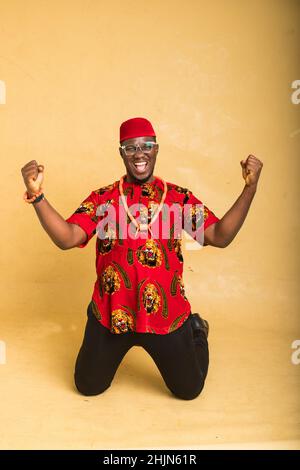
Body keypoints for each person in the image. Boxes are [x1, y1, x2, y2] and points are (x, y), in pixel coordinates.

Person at [21, 117, 263, 400]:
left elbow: (220, 236)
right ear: (121, 152)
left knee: (189, 390)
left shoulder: (178, 198)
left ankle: (196, 330)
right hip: (113, 314)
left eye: (146, 146)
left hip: (165, 316)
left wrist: (250, 188)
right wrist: (37, 196)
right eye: (131, 147)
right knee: (87, 386)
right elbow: (67, 237)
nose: (139, 153)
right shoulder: (103, 198)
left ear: (156, 149)